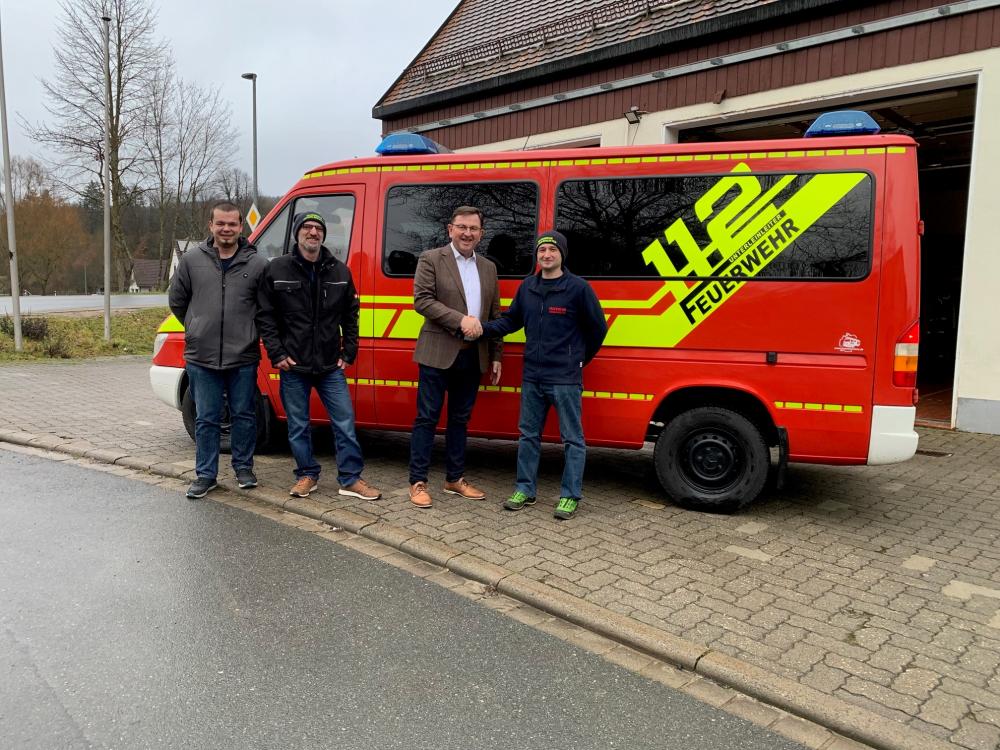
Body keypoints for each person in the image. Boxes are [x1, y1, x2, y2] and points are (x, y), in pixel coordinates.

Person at [479, 230, 607, 520]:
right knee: (528, 436)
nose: (546, 255)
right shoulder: (528, 287)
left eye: (552, 250)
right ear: (536, 255)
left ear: (562, 254)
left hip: (565, 378)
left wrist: (578, 360)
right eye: (541, 251)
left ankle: (570, 496)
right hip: (533, 376)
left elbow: (598, 329)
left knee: (572, 439)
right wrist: (481, 329)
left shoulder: (578, 288)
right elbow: (511, 321)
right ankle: (525, 489)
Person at [257, 212, 381, 501]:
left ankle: (350, 479)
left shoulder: (340, 271)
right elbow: (265, 316)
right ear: (297, 233)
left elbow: (351, 316)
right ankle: (306, 475)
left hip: (329, 366)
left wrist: (349, 351)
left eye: (318, 228)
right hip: (293, 365)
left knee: (345, 423)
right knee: (298, 426)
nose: (313, 232)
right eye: (307, 227)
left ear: (323, 235)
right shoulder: (277, 269)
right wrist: (276, 353)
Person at [168, 201, 269, 499]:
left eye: (232, 224)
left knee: (244, 415)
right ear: (210, 225)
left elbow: (266, 309)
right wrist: (197, 326)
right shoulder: (191, 261)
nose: (226, 229)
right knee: (206, 418)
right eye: (221, 223)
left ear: (241, 227)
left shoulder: (257, 264)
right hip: (202, 356)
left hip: (243, 356)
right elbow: (177, 301)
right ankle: (206, 475)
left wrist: (250, 333)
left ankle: (243, 468)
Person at [407, 206, 502, 508]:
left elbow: (495, 314)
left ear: (481, 234)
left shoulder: (488, 267)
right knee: (427, 418)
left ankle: (454, 479)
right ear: (450, 229)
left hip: (473, 356)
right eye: (462, 227)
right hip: (437, 354)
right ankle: (417, 482)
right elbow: (422, 300)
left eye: (473, 228)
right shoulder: (431, 259)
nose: (467, 233)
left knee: (460, 420)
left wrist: (496, 355)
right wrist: (461, 320)